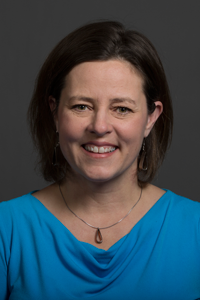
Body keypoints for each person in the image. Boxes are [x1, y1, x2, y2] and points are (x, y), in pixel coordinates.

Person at [0, 21, 200, 300]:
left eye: (122, 108)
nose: (100, 126)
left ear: (151, 118)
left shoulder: (195, 227)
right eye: (81, 106)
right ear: (55, 113)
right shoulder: (6, 228)